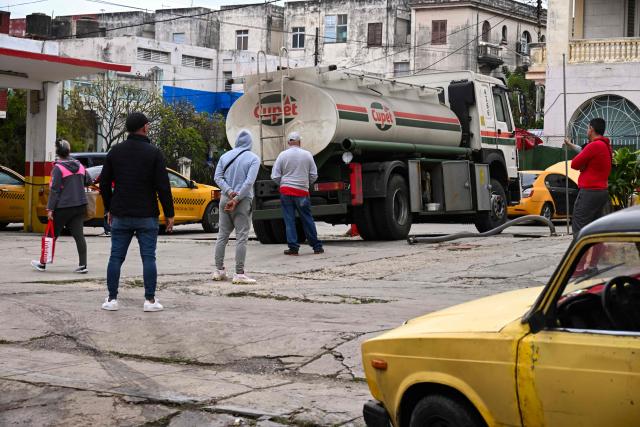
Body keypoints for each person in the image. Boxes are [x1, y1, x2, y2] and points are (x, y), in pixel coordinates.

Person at [99, 112, 174, 312]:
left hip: (120, 214)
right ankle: (150, 301)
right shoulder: (154, 153)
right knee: (148, 257)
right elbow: (163, 187)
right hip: (147, 215)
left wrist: (109, 207)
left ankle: (112, 299)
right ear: (144, 127)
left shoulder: (115, 151)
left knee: (115, 257)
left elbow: (104, 183)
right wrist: (169, 214)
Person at [31, 139, 92, 273]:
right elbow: (88, 180)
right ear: (69, 151)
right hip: (80, 205)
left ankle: (42, 263)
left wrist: (50, 209)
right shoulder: (80, 166)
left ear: (58, 153)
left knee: (51, 235)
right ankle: (83, 265)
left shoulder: (58, 168)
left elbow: (55, 190)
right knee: (79, 236)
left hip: (63, 208)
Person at [213, 129, 260, 284]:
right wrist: (238, 197)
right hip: (242, 201)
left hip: (225, 199)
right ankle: (239, 274)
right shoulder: (253, 158)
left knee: (222, 235)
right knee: (241, 237)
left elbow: (217, 177)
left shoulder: (224, 157)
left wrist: (229, 192)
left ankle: (219, 270)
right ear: (250, 143)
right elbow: (249, 182)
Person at [271, 131, 324, 256]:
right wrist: (305, 183)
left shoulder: (282, 155)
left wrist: (283, 183)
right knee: (307, 219)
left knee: (289, 220)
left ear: (289, 142)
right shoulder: (307, 155)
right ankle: (317, 247)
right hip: (302, 192)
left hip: (286, 192)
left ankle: (293, 248)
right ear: (299, 142)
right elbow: (314, 175)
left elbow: (275, 176)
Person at [564, 117, 612, 240]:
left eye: (587, 128)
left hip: (589, 192)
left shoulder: (594, 146)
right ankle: (595, 255)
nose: (587, 130)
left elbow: (574, 164)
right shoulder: (606, 146)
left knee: (580, 225)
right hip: (602, 192)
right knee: (596, 228)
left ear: (591, 129)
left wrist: (584, 165)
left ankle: (580, 256)